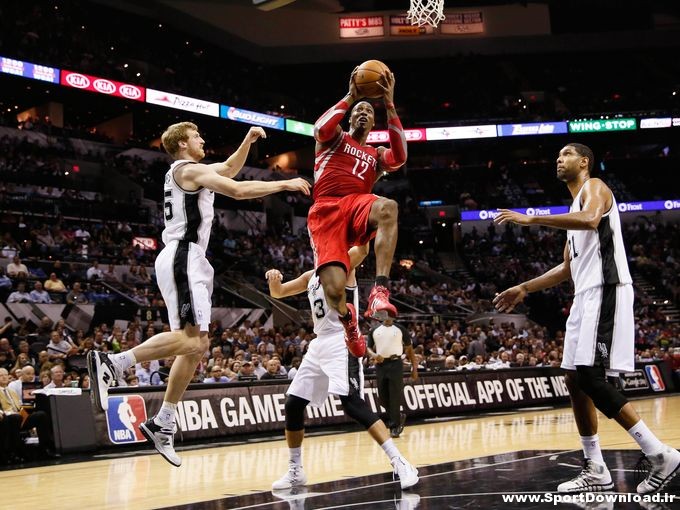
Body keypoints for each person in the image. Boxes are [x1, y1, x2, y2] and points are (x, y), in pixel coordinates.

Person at [87, 122, 310, 467]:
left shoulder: (192, 171)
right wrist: (284, 183)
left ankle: (163, 420)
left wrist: (248, 141)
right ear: (181, 144)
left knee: (197, 345)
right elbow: (235, 189)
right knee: (190, 341)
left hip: (191, 259)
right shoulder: (188, 170)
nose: (202, 139)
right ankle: (114, 363)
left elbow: (229, 169)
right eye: (196, 137)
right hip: (182, 255)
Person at [492, 143, 680, 495]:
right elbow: (567, 268)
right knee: (575, 380)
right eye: (556, 156)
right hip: (584, 296)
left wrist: (531, 218)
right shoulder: (571, 210)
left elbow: (592, 218)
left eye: (565, 154)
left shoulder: (595, 188)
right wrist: (524, 287)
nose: (558, 160)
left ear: (584, 161)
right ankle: (595, 466)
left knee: (592, 379)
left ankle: (660, 454)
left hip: (605, 289)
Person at [265, 245, 418, 491]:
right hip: (319, 343)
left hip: (342, 339)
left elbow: (364, 250)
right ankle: (295, 470)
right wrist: (274, 278)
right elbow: (278, 293)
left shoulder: (344, 265)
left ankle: (400, 462)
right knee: (293, 403)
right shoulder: (310, 276)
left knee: (352, 404)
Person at [308, 67, 407, 358]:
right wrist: (352, 96)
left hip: (357, 203)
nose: (363, 113)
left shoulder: (376, 155)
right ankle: (350, 323)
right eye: (358, 110)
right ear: (349, 116)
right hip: (326, 210)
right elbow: (320, 128)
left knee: (389, 207)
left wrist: (389, 104)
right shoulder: (334, 138)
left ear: (374, 121)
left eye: (368, 111)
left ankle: (380, 290)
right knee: (335, 292)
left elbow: (400, 157)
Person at [366, 317, 417, 438]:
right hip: (381, 364)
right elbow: (368, 348)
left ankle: (394, 426)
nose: (388, 316)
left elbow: (409, 349)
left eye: (390, 314)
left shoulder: (400, 329)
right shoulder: (374, 330)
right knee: (382, 398)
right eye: (385, 314)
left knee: (394, 395)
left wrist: (414, 367)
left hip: (396, 363)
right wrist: (374, 355)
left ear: (393, 316)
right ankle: (398, 416)